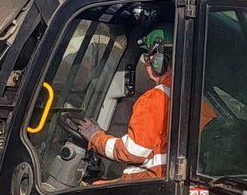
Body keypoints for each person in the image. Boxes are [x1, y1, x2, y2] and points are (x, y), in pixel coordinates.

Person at [75, 26, 175, 180]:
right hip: (164, 181)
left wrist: (95, 137)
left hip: (146, 185)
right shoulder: (200, 102)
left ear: (158, 62)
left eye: (148, 58)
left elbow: (132, 151)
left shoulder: (154, 99)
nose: (146, 63)